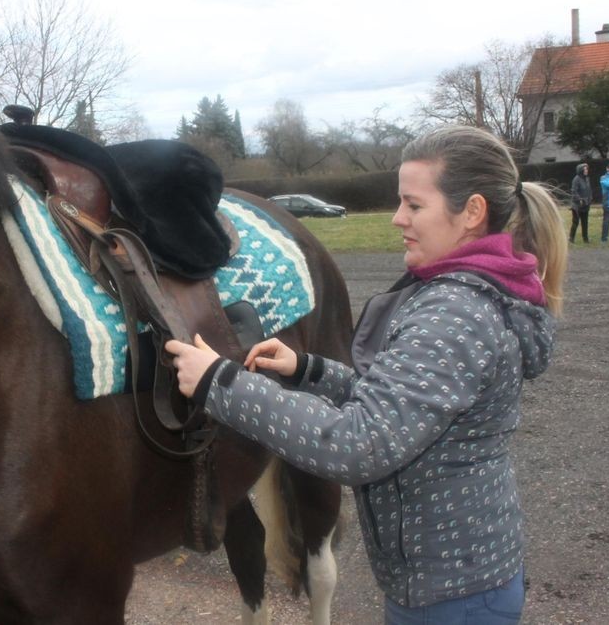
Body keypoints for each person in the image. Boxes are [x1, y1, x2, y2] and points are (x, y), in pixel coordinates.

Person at [166, 125, 567, 625]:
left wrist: (217, 382)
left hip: (451, 599)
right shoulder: (475, 293)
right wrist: (308, 370)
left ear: (473, 213)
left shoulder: (456, 313)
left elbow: (359, 446)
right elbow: (403, 405)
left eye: (414, 206)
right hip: (462, 577)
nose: (398, 218)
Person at [569, 163, 591, 243]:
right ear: (581, 170)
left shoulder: (587, 179)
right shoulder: (576, 179)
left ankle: (585, 238)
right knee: (576, 222)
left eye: (587, 169)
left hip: (586, 204)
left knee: (585, 222)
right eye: (585, 169)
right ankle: (571, 238)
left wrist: (590, 199)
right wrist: (579, 199)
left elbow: (589, 190)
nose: (586, 171)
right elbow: (574, 191)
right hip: (577, 205)